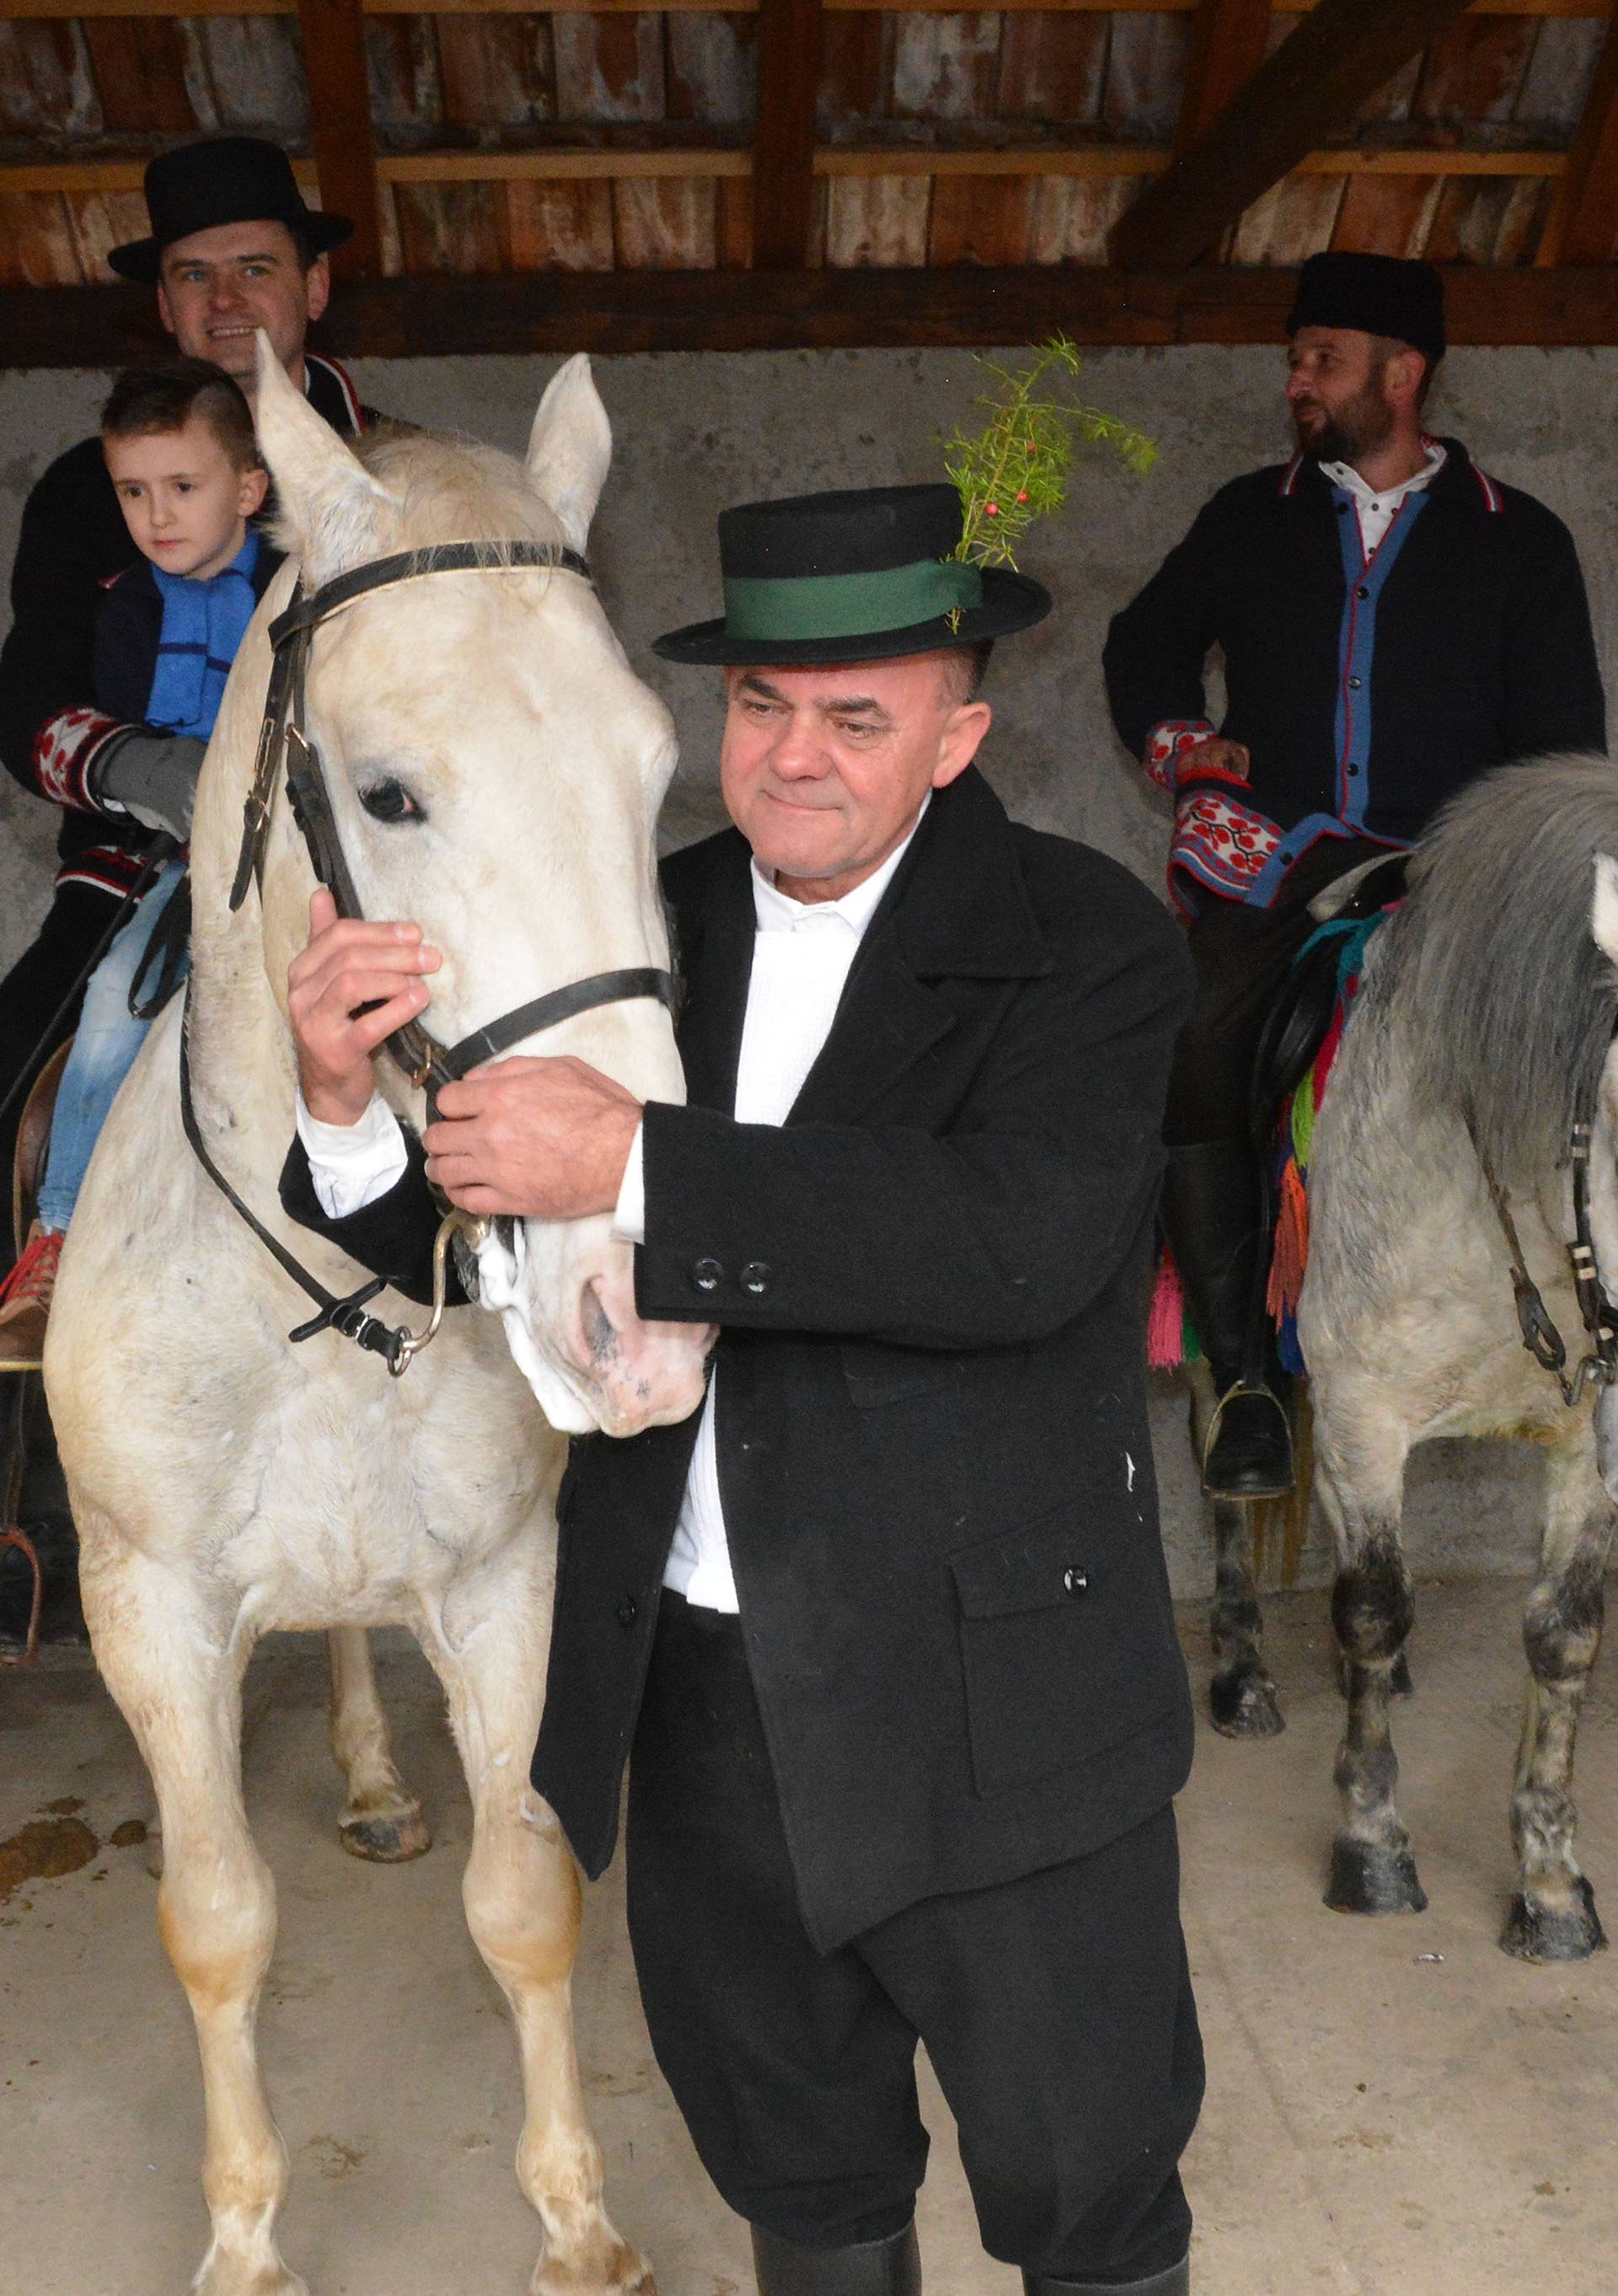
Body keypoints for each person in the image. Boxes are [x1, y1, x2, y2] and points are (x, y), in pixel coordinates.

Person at [276, 481, 1205, 2295]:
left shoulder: (1086, 942)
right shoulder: (646, 917)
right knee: (810, 2186)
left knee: (1089, 2199)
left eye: (859, 716)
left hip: (995, 1713)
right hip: (703, 1707)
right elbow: (478, 1266)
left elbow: (1013, 1244)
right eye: (762, 707)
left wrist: (637, 1161)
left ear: (959, 732)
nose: (795, 758)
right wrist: (337, 1107)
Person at [1103, 251, 1606, 1502]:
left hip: (1457, 881)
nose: (1297, 384)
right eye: (1295, 360)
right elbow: (1143, 640)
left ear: (1405, 372)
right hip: (1278, 866)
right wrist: (1178, 741)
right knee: (1192, 1043)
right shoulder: (1248, 514)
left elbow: (1564, 743)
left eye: (1323, 360)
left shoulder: (1520, 541)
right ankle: (1248, 1387)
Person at [0, 134, 369, 1273]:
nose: (227, 302)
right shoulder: (83, 489)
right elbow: (29, 694)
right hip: (132, 867)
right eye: (194, 276)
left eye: (255, 268)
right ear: (163, 306)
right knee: (10, 1075)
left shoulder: (391, 474)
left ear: (311, 286)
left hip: (353, 876)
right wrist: (144, 773)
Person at [0, 361, 279, 1369]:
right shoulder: (120, 608)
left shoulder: (307, 590)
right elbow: (54, 713)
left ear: (249, 488)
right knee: (118, 996)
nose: (157, 515)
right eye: (133, 492)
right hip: (158, 863)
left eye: (183, 489)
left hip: (294, 860)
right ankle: (59, 1236)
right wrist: (147, 771)